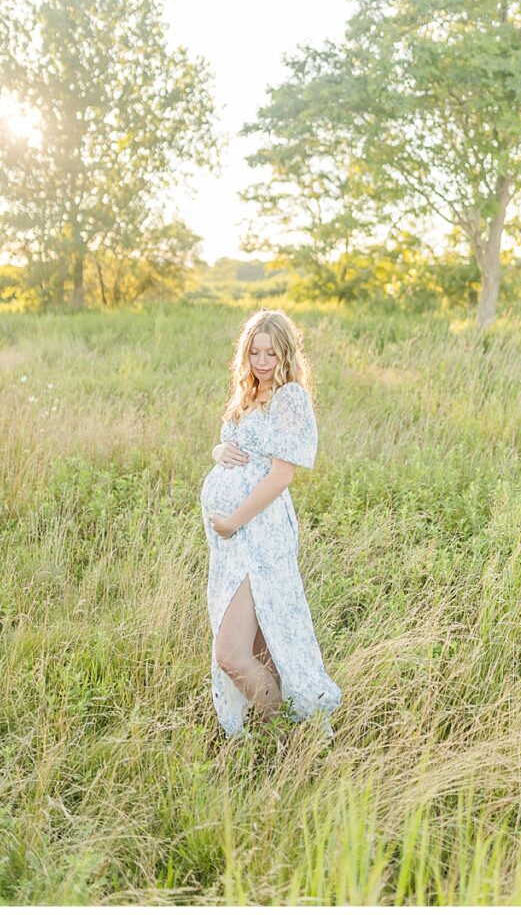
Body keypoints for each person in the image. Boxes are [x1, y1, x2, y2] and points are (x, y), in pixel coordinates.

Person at [200, 308, 340, 738]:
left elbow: (282, 473)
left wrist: (234, 521)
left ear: (287, 355)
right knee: (261, 648)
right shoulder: (248, 393)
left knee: (231, 654)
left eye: (271, 354)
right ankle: (277, 742)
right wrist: (218, 453)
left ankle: (278, 731)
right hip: (231, 541)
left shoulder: (290, 398)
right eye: (255, 352)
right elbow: (234, 445)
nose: (262, 362)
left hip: (259, 534)